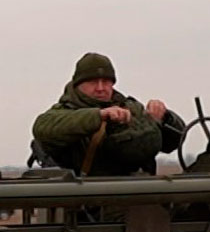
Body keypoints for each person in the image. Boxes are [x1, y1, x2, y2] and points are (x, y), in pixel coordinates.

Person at [32, 53, 185, 176]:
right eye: (93, 82)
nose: (100, 88)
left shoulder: (131, 108)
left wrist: (163, 118)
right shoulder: (64, 113)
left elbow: (172, 142)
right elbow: (42, 127)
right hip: (89, 203)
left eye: (106, 82)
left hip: (139, 193)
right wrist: (99, 116)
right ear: (78, 85)